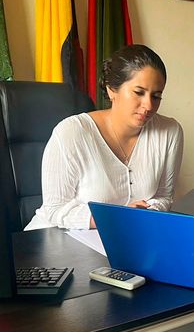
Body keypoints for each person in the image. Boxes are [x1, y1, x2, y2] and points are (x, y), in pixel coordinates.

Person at [25, 44, 184, 231]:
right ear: (111, 90)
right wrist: (115, 217)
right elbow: (55, 209)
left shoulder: (170, 132)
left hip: (124, 235)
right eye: (139, 92)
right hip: (54, 236)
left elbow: (164, 196)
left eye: (156, 96)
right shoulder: (71, 132)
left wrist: (143, 214)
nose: (148, 105)